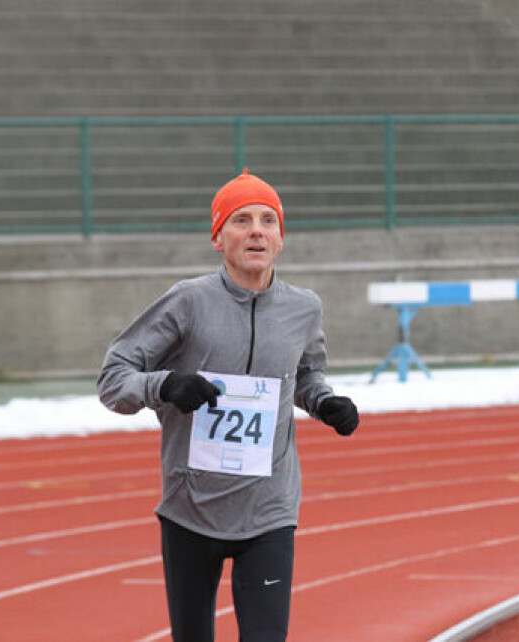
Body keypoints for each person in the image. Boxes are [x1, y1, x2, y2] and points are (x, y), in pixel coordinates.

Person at [97, 168, 360, 642]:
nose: (257, 231)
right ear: (218, 237)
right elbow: (114, 380)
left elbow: (304, 375)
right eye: (241, 220)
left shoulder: (304, 309)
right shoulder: (188, 302)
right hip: (191, 509)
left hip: (269, 510)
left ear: (282, 238)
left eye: (268, 221)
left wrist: (325, 402)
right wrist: (165, 385)